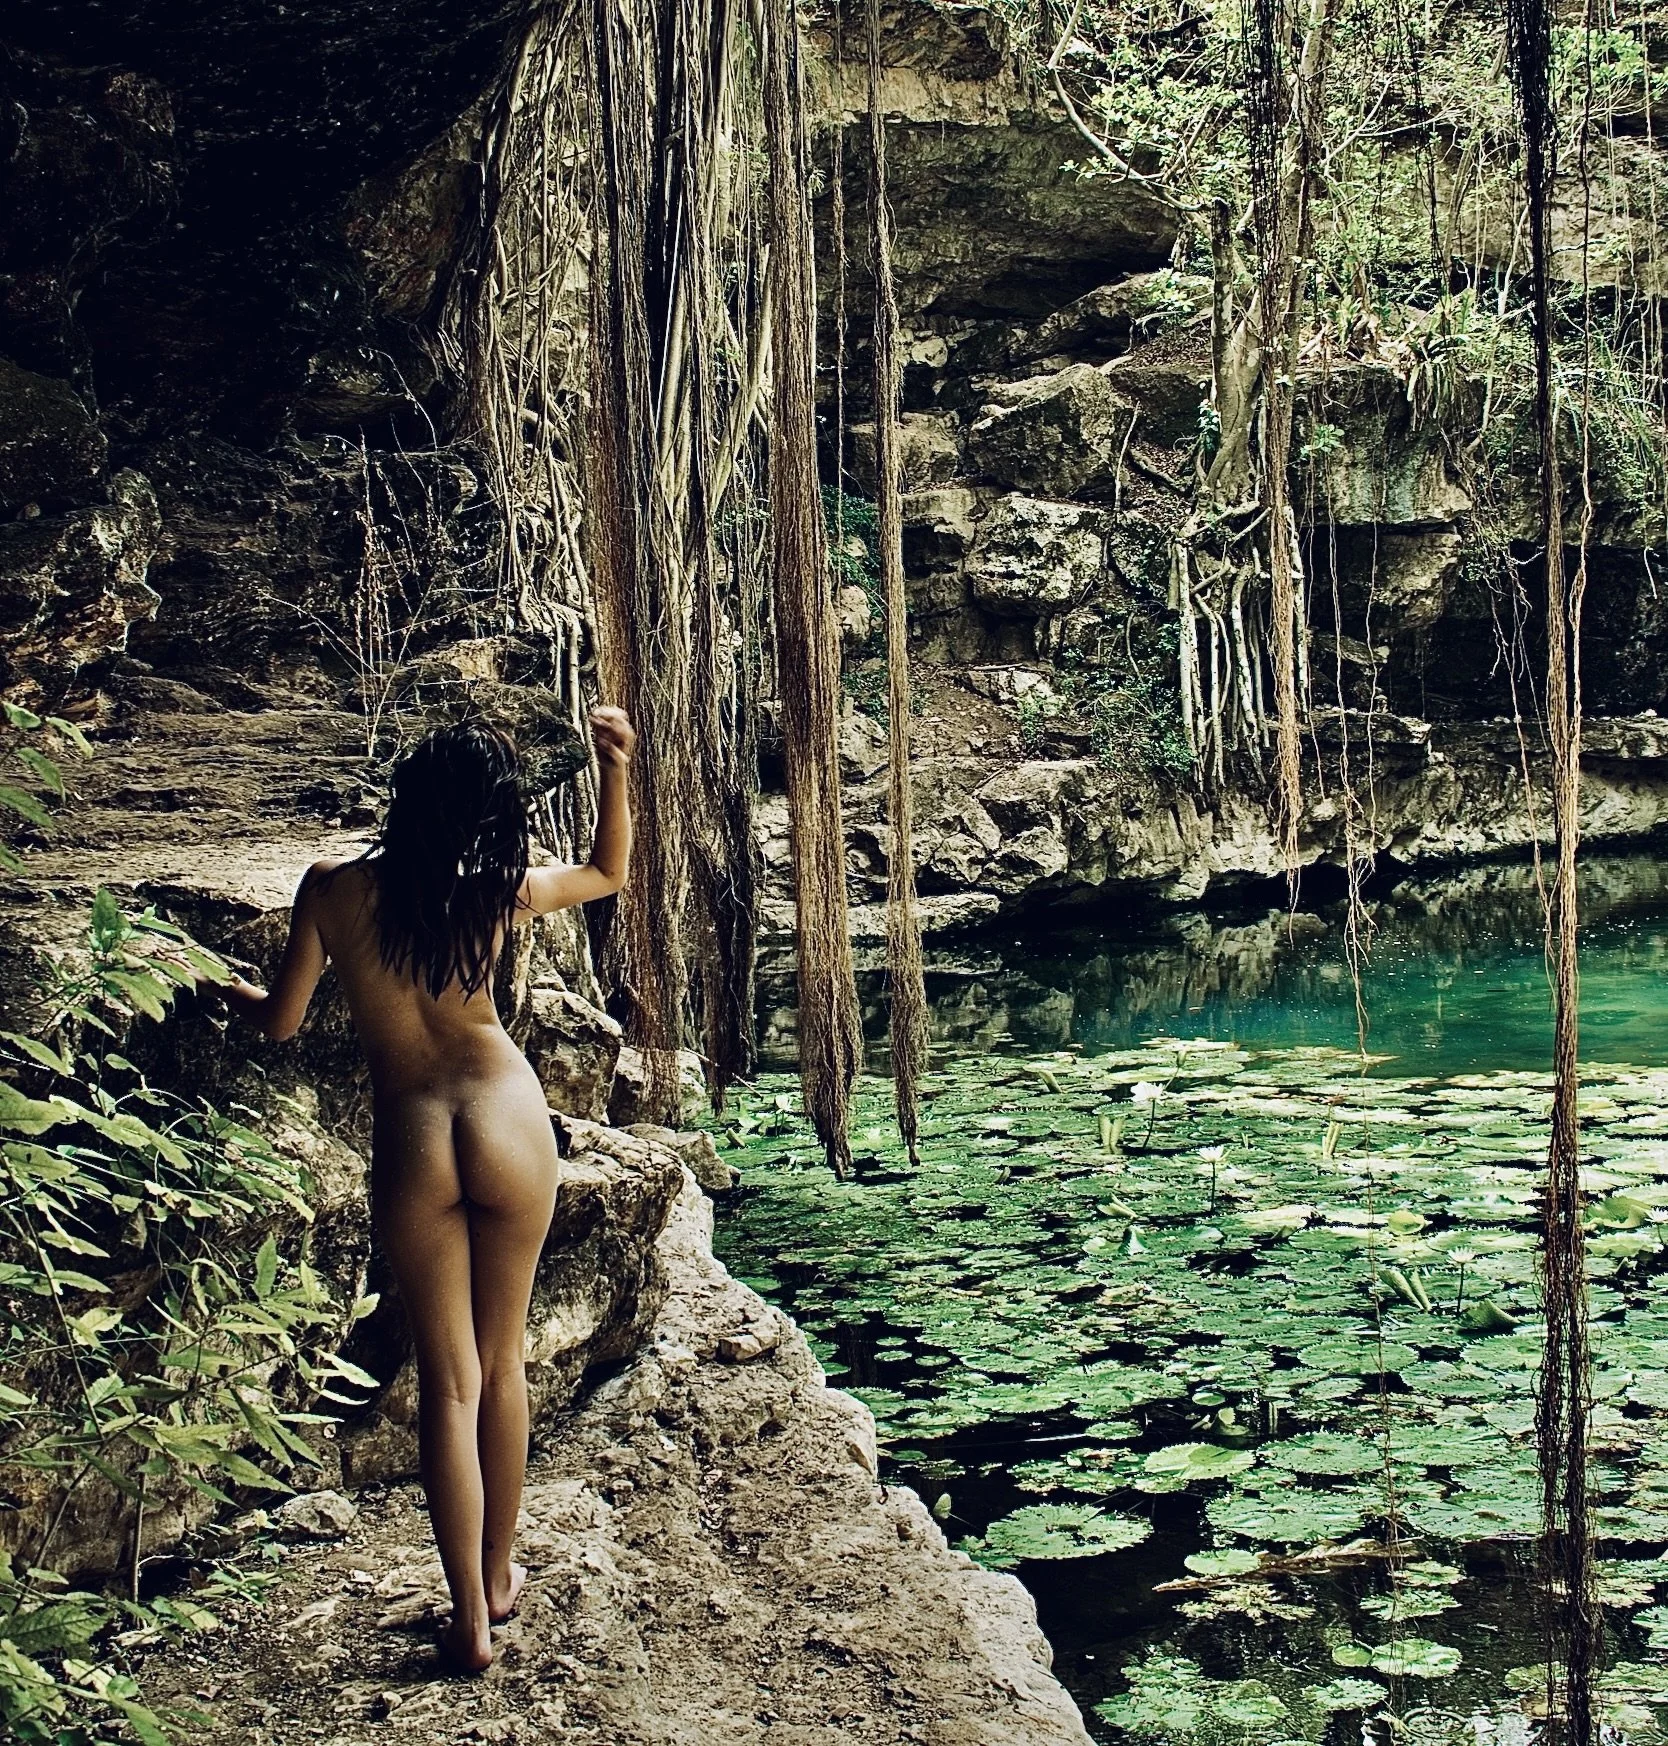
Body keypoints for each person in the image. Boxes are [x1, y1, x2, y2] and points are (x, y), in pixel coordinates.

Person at [205, 706, 636, 1672]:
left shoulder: (330, 891)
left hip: (413, 1133)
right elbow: (608, 872)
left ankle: (469, 1625)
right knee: (504, 1363)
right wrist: (617, 765)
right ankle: (498, 1576)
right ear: (485, 815)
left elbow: (280, 1021)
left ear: (405, 799)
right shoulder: (487, 892)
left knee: (446, 1382)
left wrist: (223, 990)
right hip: (505, 1117)